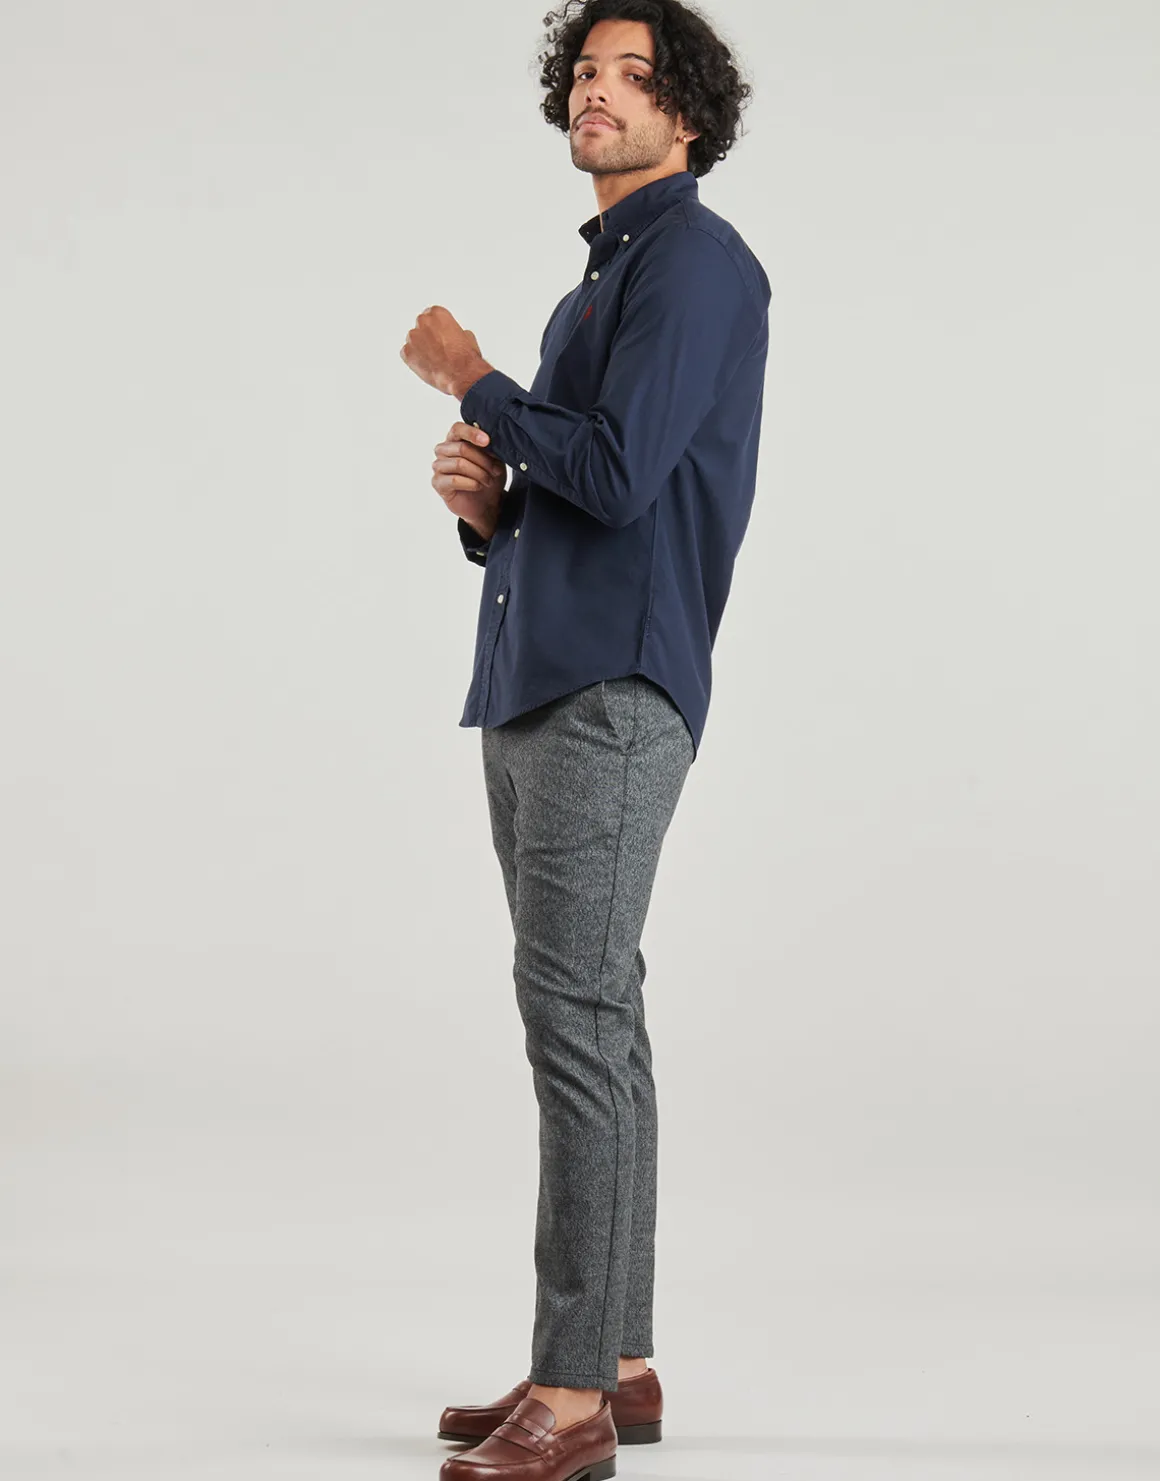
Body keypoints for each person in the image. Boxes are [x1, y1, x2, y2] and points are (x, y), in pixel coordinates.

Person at [400, 3, 769, 1476]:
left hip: (611, 691)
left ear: (690, 116)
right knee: (595, 1016)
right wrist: (489, 510)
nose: (595, 94)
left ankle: (570, 1402)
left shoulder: (697, 263)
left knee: (576, 1022)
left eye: (633, 76)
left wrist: (475, 379)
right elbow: (584, 497)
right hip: (543, 678)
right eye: (584, 73)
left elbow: (617, 476)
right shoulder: (604, 284)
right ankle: (614, 1359)